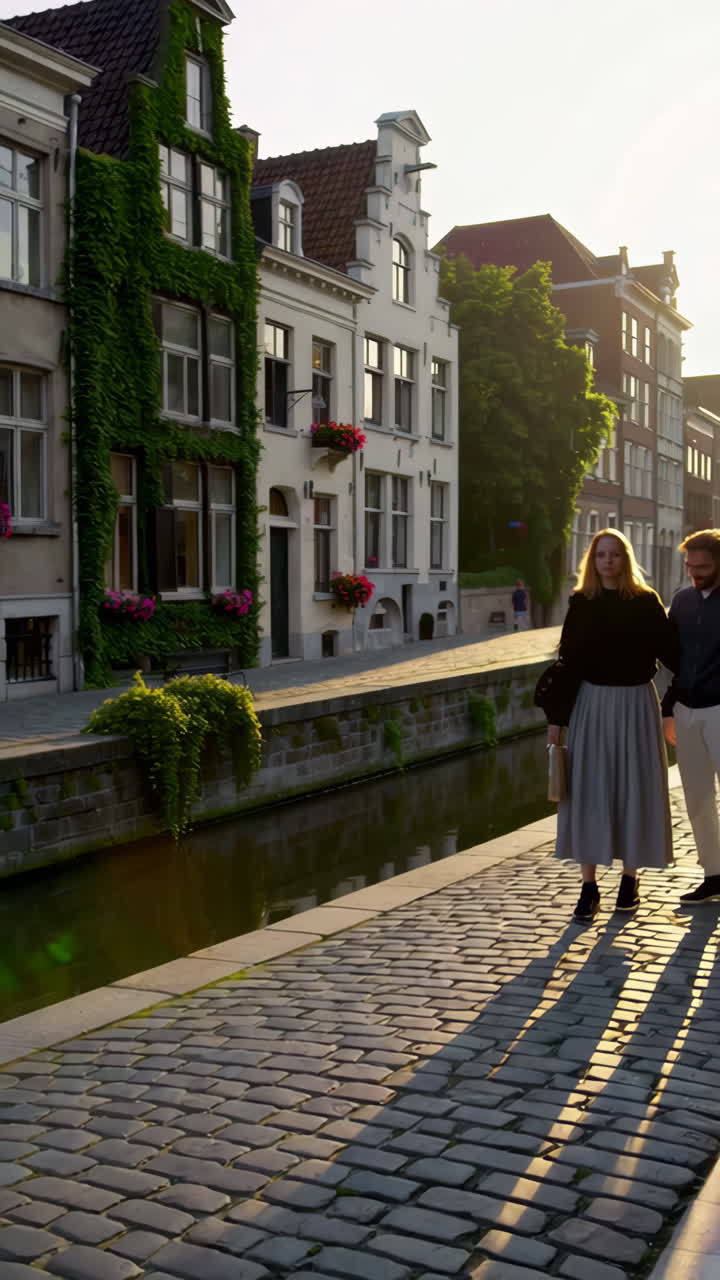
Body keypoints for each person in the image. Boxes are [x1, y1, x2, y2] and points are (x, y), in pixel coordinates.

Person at [546, 530, 677, 922]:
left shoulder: (645, 601)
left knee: (633, 787)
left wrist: (677, 704)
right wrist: (557, 719)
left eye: (615, 554)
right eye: (601, 554)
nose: (608, 561)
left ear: (625, 558)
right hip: (592, 702)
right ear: (592, 559)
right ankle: (588, 887)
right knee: (588, 790)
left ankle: (629, 879)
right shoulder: (580, 602)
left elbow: (672, 654)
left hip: (637, 702)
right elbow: (567, 663)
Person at [662, 529, 720, 904]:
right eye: (689, 566)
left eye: (702, 566)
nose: (694, 572)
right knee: (698, 799)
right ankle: (714, 875)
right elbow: (669, 661)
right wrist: (669, 711)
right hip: (686, 712)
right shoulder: (681, 601)